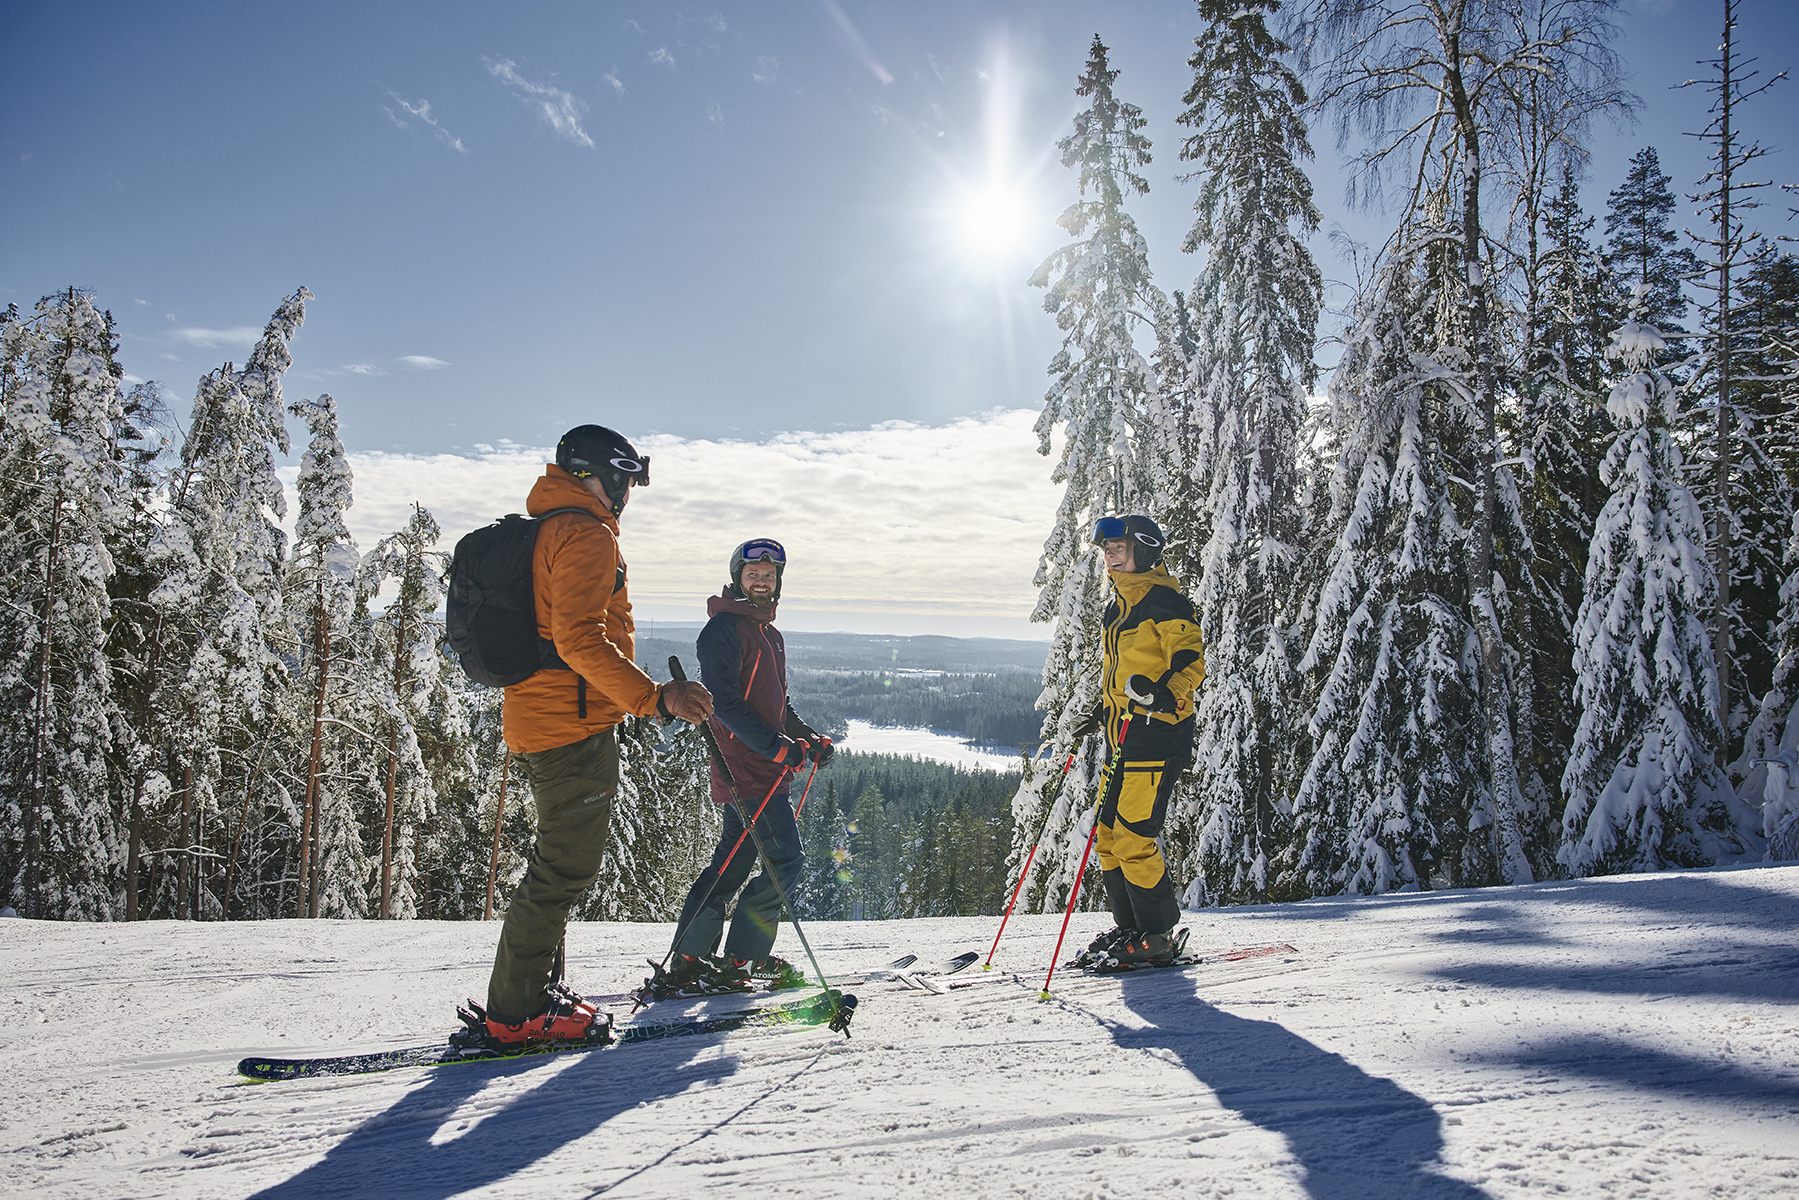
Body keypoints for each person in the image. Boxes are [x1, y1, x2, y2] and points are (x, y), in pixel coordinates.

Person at [478, 424, 714, 1047]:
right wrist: (653, 699)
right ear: (600, 476)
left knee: (557, 862)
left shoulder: (549, 528)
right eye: (627, 480)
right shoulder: (584, 534)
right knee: (563, 868)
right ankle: (516, 1014)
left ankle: (535, 996)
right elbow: (579, 640)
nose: (629, 495)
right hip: (569, 726)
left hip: (540, 717)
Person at [665, 537, 833, 989]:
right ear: (738, 577)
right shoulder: (723, 630)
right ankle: (742, 959)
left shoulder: (766, 633)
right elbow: (725, 706)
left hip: (758, 766)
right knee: (786, 861)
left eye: (769, 575)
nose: (762, 581)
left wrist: (805, 737)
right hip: (746, 766)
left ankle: (689, 955)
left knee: (733, 862)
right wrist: (779, 748)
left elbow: (778, 704)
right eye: (753, 574)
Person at [1071, 514, 1206, 967]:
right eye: (1106, 547)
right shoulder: (1120, 605)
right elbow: (1123, 676)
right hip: (1122, 736)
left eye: (1119, 546)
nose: (1110, 553)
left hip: (1156, 738)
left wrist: (1163, 693)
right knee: (1107, 836)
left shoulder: (1164, 602)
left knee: (1133, 837)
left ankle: (1158, 936)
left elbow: (1189, 663)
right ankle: (1131, 927)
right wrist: (1102, 712)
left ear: (1144, 550)